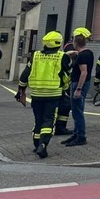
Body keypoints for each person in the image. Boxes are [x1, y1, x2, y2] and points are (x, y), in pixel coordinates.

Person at [15, 31, 73, 159]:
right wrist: (66, 88)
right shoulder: (62, 57)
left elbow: (25, 74)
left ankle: (36, 145)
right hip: (53, 95)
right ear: (58, 43)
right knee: (48, 120)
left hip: (36, 95)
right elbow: (67, 74)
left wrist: (21, 91)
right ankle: (43, 145)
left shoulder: (35, 56)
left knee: (38, 120)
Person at [62, 28, 94, 146]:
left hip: (78, 84)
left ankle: (80, 136)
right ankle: (76, 134)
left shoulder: (82, 56)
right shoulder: (87, 53)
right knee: (76, 110)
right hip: (80, 83)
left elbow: (84, 72)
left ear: (75, 43)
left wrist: (78, 89)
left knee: (77, 111)